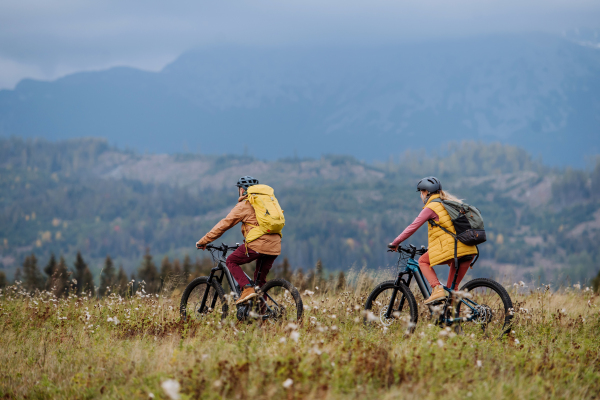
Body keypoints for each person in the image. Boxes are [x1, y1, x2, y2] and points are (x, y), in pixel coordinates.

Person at [388, 177, 478, 304]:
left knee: (422, 261)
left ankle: (436, 288)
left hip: (455, 250)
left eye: (421, 192)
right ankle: (451, 321)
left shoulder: (432, 207)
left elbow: (412, 227)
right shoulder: (447, 204)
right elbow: (447, 232)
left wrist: (395, 243)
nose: (421, 196)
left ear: (426, 192)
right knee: (453, 291)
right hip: (469, 248)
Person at [196, 176, 281, 305]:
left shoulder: (245, 204)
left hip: (258, 244)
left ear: (242, 190)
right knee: (260, 283)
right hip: (275, 246)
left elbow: (224, 224)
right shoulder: (266, 203)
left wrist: (204, 240)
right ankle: (262, 318)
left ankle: (246, 288)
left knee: (231, 260)